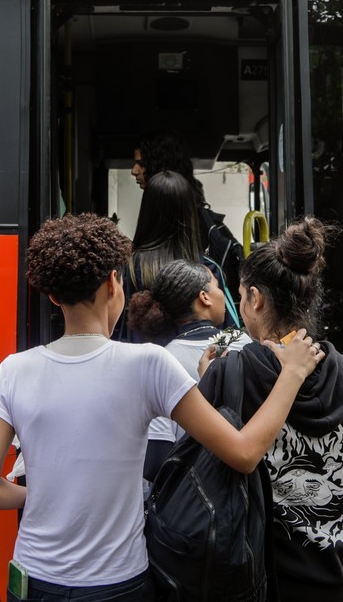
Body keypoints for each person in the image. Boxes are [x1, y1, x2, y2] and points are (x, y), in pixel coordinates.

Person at [0, 213, 324, 602]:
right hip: (118, 584)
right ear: (111, 283)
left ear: (53, 295)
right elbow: (243, 453)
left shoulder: (14, 370)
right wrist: (292, 374)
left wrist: (39, 496)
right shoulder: (148, 364)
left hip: (34, 580)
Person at [196, 216, 343, 602]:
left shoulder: (232, 372)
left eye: (241, 295)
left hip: (261, 581)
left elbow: (202, 472)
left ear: (256, 299)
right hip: (337, 581)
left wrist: (206, 382)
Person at [127, 258, 253, 480]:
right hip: (250, 484)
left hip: (192, 501)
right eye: (216, 286)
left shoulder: (162, 359)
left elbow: (155, 462)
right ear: (204, 297)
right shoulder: (243, 343)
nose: (223, 294)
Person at [116, 170, 239, 341]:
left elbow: (115, 329)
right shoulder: (208, 269)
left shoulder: (126, 269)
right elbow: (230, 333)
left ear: (146, 213)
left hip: (138, 366)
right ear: (190, 215)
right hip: (199, 366)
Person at [132, 131, 244, 299]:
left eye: (141, 163)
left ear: (159, 168)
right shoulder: (209, 266)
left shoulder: (135, 269)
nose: (134, 171)